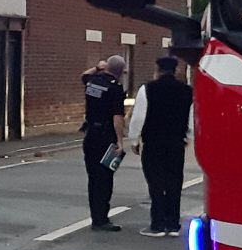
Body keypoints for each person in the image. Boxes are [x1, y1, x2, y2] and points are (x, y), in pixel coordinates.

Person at [128, 56, 193, 237]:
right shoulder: (187, 91)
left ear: (157, 70)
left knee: (155, 183)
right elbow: (192, 118)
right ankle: (173, 224)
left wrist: (134, 140)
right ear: (176, 71)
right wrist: (188, 136)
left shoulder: (147, 89)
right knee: (174, 182)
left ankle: (157, 224)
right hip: (175, 142)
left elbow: (139, 117)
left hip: (153, 142)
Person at [81, 55, 127, 232]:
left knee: (93, 177)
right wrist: (119, 141)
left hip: (90, 134)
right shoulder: (115, 88)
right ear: (121, 72)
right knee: (104, 178)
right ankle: (101, 219)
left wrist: (97, 67)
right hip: (105, 136)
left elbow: (83, 76)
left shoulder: (92, 81)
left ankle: (96, 216)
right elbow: (117, 118)